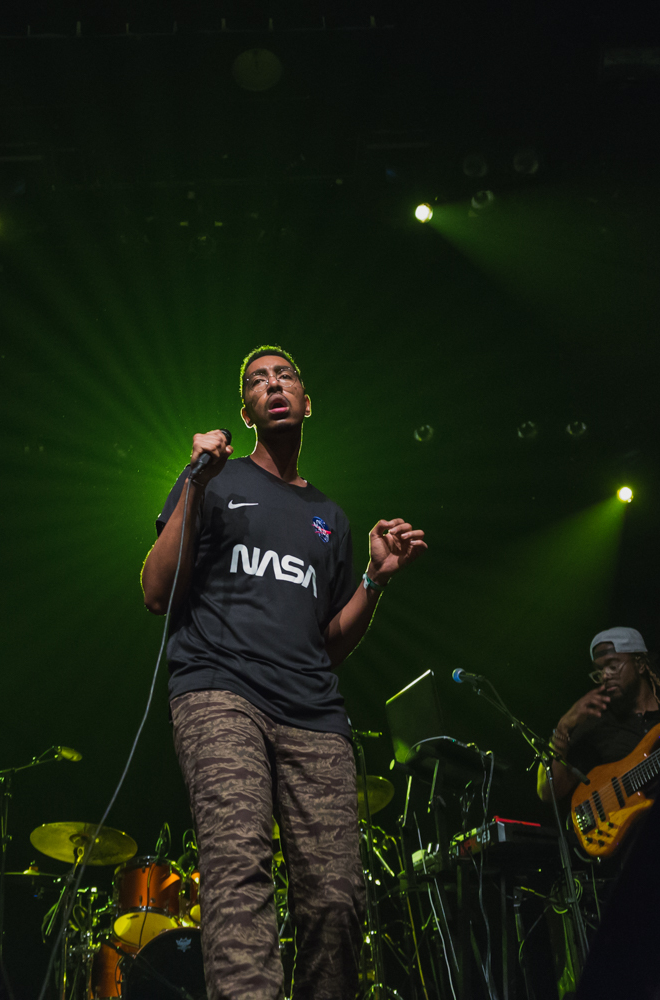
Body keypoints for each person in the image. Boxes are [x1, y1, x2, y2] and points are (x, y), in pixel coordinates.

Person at [140, 346, 427, 1000]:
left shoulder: (332, 518)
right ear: (245, 411)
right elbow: (157, 590)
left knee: (337, 900)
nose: (272, 386)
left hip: (313, 715)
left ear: (305, 400)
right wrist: (194, 478)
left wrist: (374, 582)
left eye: (284, 376)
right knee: (239, 874)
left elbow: (325, 645)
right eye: (257, 382)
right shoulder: (218, 483)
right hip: (219, 694)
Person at [536, 627, 660, 804]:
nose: (605, 676)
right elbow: (548, 792)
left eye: (613, 666)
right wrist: (562, 727)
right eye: (599, 671)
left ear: (640, 664)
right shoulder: (596, 725)